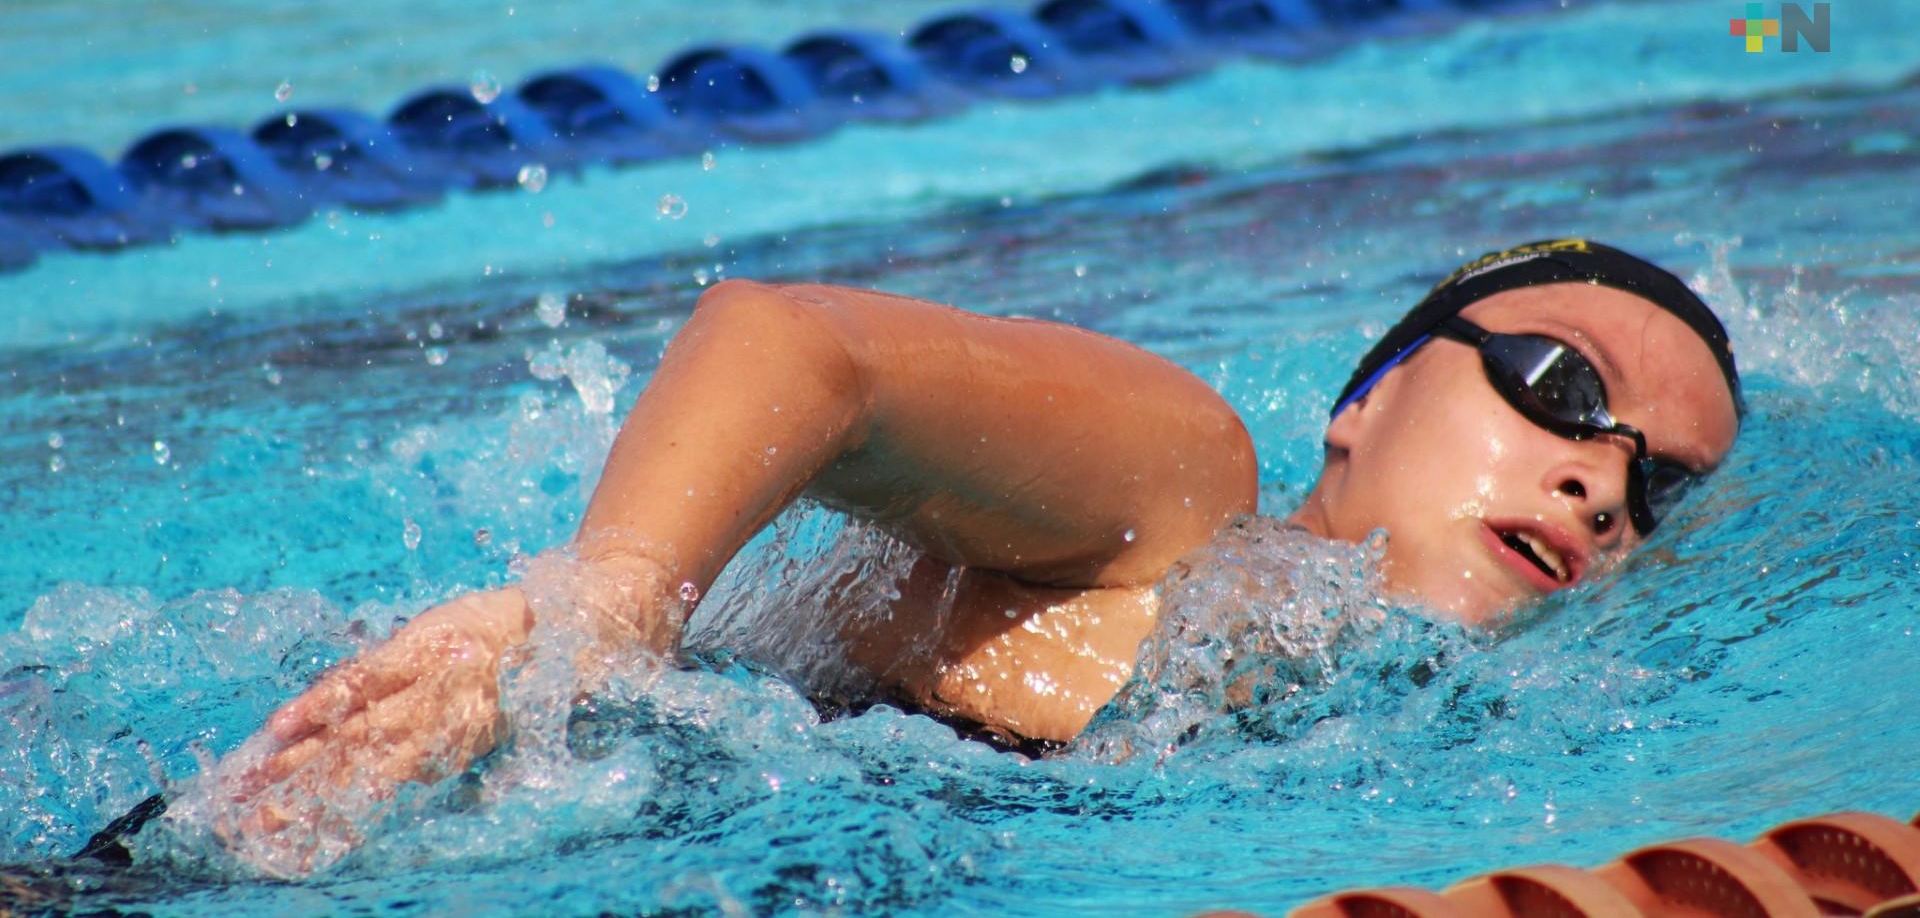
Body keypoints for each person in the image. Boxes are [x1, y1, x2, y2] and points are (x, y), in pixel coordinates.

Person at [203, 237, 1741, 866]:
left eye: (1654, 483)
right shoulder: (1183, 493)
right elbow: (788, 344)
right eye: (1563, 386)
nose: (1602, 480)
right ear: (1372, 395)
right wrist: (587, 622)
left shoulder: (1398, 734)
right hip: (400, 793)